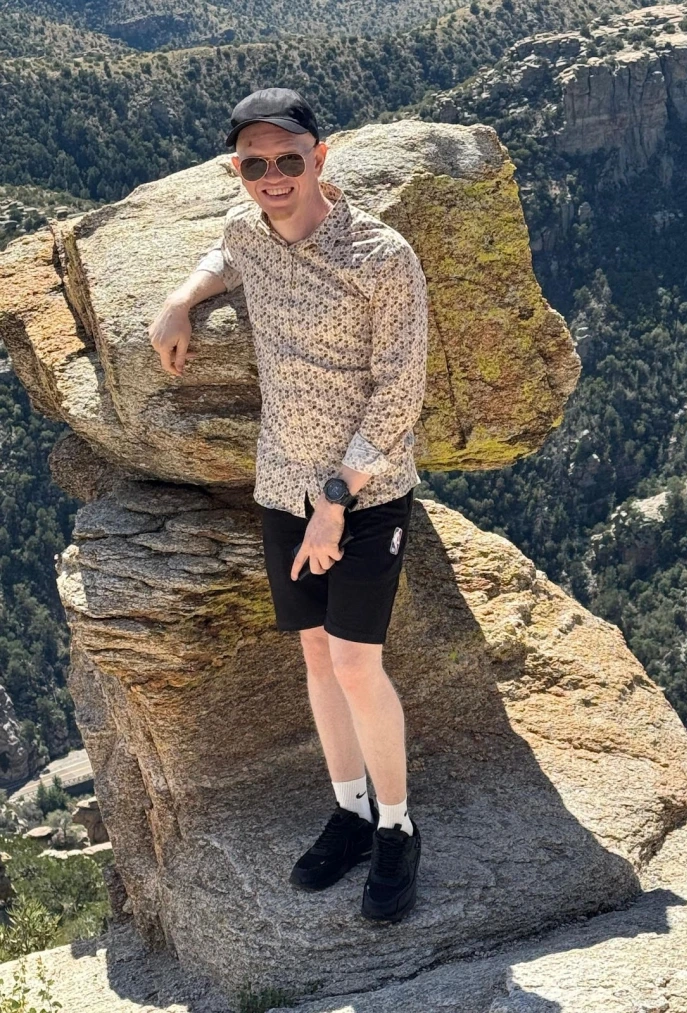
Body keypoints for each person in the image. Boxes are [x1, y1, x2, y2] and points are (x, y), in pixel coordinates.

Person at [148, 87, 428, 922]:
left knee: (353, 661)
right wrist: (180, 297)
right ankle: (347, 809)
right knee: (313, 653)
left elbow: (399, 390)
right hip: (281, 483)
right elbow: (224, 253)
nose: (273, 176)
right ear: (238, 169)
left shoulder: (383, 255)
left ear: (321, 156)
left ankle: (397, 826)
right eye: (254, 163)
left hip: (364, 490)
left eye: (289, 159)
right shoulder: (247, 233)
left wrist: (340, 497)